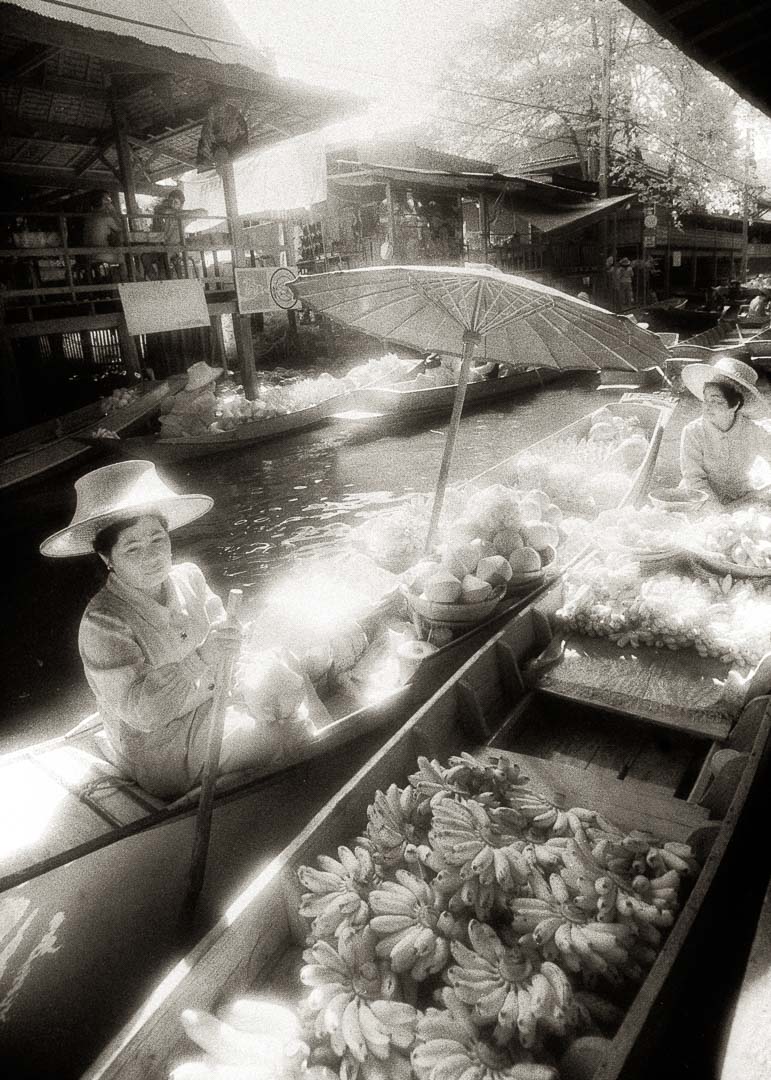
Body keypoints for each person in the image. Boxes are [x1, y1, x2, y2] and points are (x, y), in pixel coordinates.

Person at [39, 460, 279, 798]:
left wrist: (237, 647)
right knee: (270, 736)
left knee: (285, 679)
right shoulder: (103, 622)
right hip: (159, 746)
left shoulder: (189, 576)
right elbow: (144, 714)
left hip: (214, 702)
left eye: (158, 540)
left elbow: (226, 650)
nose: (152, 557)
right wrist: (202, 657)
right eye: (133, 549)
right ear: (108, 558)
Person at [679, 356, 771, 510]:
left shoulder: (753, 431)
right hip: (700, 499)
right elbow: (694, 479)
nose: (707, 407)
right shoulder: (693, 432)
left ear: (734, 405)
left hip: (741, 497)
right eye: (706, 400)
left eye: (716, 401)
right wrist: (717, 510)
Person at [158, 360, 222, 438]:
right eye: (212, 381)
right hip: (180, 433)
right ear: (206, 384)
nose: (214, 383)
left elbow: (166, 405)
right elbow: (191, 410)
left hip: (166, 429)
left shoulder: (182, 394)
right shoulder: (208, 396)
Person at [82, 191, 122, 281]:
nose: (110, 201)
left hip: (88, 253)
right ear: (102, 201)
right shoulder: (106, 217)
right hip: (101, 253)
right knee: (125, 257)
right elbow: (120, 228)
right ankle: (128, 283)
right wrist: (113, 212)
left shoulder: (89, 217)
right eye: (107, 199)